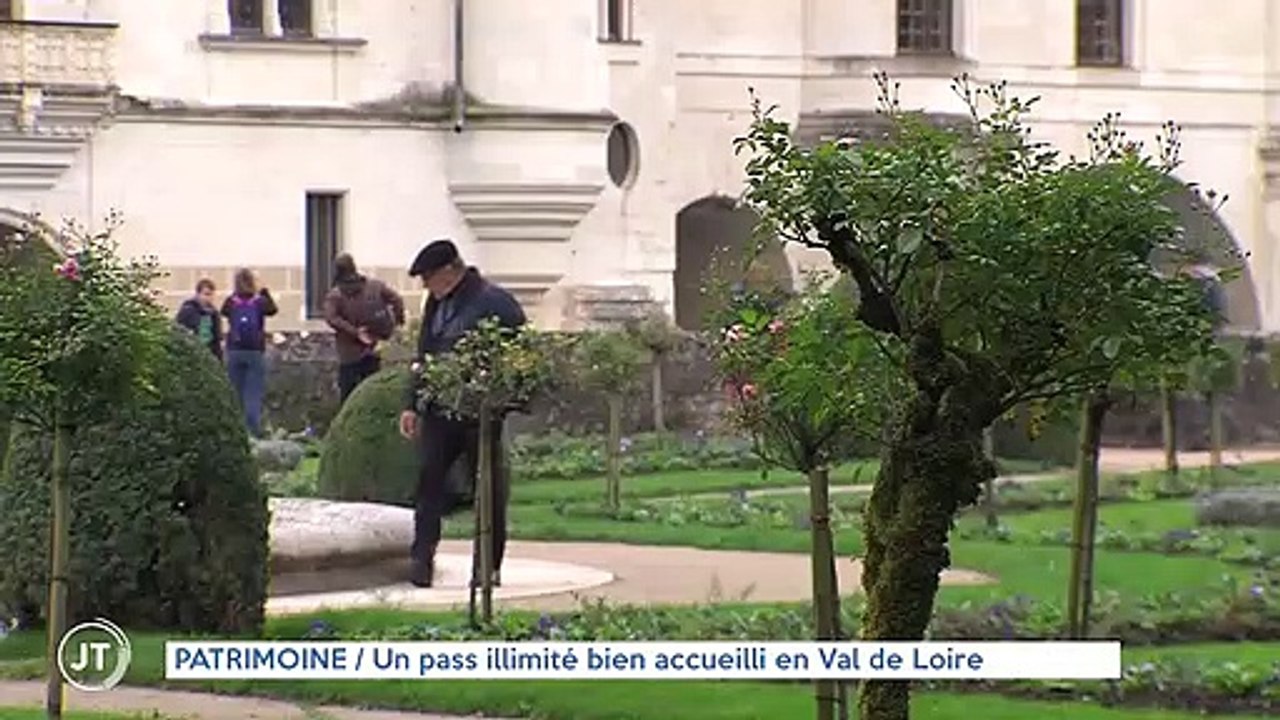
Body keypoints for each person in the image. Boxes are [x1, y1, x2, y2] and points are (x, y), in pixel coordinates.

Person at [398, 239, 526, 588]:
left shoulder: (494, 303)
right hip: (441, 409)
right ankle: (421, 559)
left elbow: (519, 356)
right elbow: (424, 354)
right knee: (428, 483)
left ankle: (487, 566)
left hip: (479, 411)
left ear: (448, 272)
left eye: (428, 277)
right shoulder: (435, 305)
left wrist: (502, 401)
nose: (425, 286)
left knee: (486, 488)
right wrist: (413, 403)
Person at [323, 253, 407, 404]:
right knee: (376, 394)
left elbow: (331, 318)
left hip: (349, 353)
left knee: (349, 398)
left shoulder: (335, 295)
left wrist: (355, 332)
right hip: (377, 347)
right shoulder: (375, 286)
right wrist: (398, 323)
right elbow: (397, 300)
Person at [222, 268, 278, 438]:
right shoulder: (260, 302)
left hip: (235, 351)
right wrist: (264, 290)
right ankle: (253, 431)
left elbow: (223, 312)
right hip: (255, 351)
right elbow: (273, 310)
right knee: (253, 393)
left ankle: (234, 431)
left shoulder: (231, 301)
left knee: (234, 392)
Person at [175, 278, 223, 360]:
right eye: (206, 294)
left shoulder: (214, 313)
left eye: (211, 295)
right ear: (198, 294)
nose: (209, 298)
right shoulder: (188, 310)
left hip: (209, 353)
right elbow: (178, 330)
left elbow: (216, 338)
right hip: (191, 354)